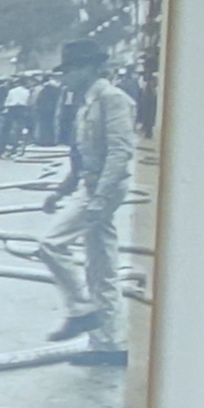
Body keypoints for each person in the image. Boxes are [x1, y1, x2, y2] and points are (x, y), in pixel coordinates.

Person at [52, 36, 141, 351]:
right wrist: (61, 190)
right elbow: (81, 155)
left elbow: (119, 151)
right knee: (101, 267)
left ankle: (81, 309)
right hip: (92, 184)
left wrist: (100, 198)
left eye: (71, 70)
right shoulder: (85, 102)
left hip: (105, 187)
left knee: (51, 244)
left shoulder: (112, 99)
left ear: (89, 68)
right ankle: (108, 342)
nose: (65, 77)